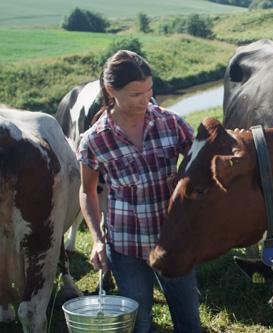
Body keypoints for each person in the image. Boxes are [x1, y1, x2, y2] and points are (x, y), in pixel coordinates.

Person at [78, 50, 201, 333]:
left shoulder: (171, 123)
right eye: (135, 94)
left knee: (189, 323)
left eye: (149, 90)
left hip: (173, 241)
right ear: (111, 91)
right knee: (139, 323)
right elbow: (87, 192)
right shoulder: (95, 140)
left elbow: (203, 158)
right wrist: (97, 240)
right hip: (126, 247)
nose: (146, 100)